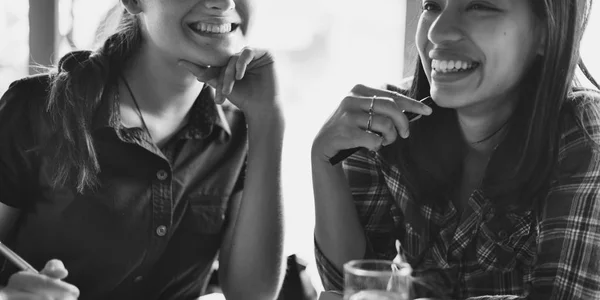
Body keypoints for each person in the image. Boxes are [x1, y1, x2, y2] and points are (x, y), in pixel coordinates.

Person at [312, 0, 600, 299]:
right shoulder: (386, 123)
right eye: (431, 5)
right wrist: (324, 161)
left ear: (547, 32)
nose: (437, 32)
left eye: (478, 5)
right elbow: (350, 287)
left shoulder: (583, 132)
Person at [0, 0, 285, 299]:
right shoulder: (36, 109)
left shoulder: (241, 130)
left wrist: (269, 117)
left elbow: (252, 296)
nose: (224, 2)